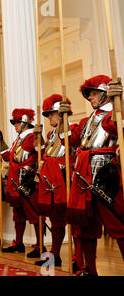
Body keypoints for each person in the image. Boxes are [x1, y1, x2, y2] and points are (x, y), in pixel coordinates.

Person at [64, 75, 124, 276]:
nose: (90, 97)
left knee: (117, 224)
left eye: (94, 93)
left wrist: (120, 104)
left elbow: (120, 128)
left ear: (106, 93)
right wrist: (63, 121)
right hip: (83, 175)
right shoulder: (87, 119)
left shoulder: (113, 114)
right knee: (85, 227)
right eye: (89, 94)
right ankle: (90, 269)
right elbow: (72, 142)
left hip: (106, 174)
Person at [34, 94, 81, 267]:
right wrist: (38, 139)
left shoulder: (74, 127)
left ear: (62, 113)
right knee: (55, 220)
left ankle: (79, 257)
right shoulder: (50, 133)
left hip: (67, 178)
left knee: (74, 219)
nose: (49, 118)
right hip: (51, 179)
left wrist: (65, 124)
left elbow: (71, 144)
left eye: (52, 113)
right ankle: (54, 254)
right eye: (48, 114)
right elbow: (46, 152)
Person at [1, 109, 46, 258]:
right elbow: (9, 157)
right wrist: (0, 143)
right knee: (18, 214)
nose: (15, 125)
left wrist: (40, 138)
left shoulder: (32, 136)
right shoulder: (18, 139)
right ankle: (19, 243)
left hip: (28, 181)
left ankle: (40, 246)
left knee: (34, 213)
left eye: (17, 122)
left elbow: (42, 152)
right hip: (15, 181)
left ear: (25, 123)